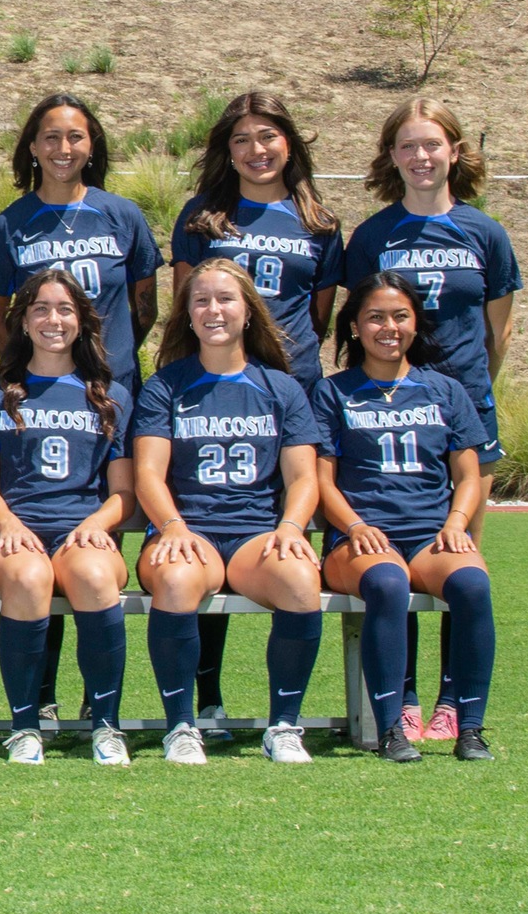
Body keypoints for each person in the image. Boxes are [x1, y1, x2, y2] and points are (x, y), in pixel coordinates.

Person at [0, 92, 159, 727]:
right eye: (50, 138)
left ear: (92, 146)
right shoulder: (9, 225)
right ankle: (41, 698)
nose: (62, 149)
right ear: (32, 147)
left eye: (75, 138)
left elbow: (143, 304)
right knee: (33, 560)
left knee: (86, 556)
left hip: (103, 394)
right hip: (35, 395)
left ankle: (97, 703)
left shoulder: (122, 215)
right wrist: (36, 374)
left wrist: (88, 367)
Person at [343, 96, 520, 744]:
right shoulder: (372, 237)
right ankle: (406, 693)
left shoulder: (484, 233)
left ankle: (453, 697)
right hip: (389, 407)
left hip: (460, 413)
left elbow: (497, 330)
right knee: (396, 542)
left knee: (455, 550)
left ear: (454, 150)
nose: (421, 157)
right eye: (408, 146)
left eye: (432, 144)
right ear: (391, 156)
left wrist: (467, 401)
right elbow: (358, 315)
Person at [168, 92, 342, 737]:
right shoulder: (204, 216)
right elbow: (186, 296)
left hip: (286, 387)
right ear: (226, 150)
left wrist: (275, 362)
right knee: (210, 514)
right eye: (242, 139)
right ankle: (204, 694)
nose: (256, 150)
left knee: (278, 534)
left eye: (267, 136)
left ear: (289, 143)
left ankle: (300, 714)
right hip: (212, 383)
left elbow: (318, 314)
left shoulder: (318, 221)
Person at [132, 258, 326, 767]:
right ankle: (180, 726)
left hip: (253, 536)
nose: (213, 310)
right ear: (187, 315)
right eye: (201, 301)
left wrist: (291, 526)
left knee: (302, 581)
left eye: (225, 299)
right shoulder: (165, 386)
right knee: (175, 581)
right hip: (186, 530)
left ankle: (283, 725)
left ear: (248, 311)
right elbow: (148, 473)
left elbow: (304, 477)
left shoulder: (280, 388)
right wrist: (173, 525)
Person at [314, 273, 497, 763]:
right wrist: (354, 525)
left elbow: (469, 474)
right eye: (375, 317)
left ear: (415, 324)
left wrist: (456, 523)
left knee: (474, 587)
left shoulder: (445, 390)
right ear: (354, 327)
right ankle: (391, 728)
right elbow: (321, 480)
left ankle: (471, 728)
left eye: (400, 316)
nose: (388, 327)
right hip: (358, 537)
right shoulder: (333, 393)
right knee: (389, 584)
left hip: (430, 533)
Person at [0, 268, 136, 766]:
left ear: (82, 322)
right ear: (22, 321)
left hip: (80, 533)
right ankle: (24, 727)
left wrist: (96, 525)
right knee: (29, 572)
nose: (52, 319)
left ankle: (105, 724)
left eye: (64, 309)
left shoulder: (111, 395)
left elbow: (125, 492)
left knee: (90, 572)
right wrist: (10, 526)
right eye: (40, 308)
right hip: (7, 539)